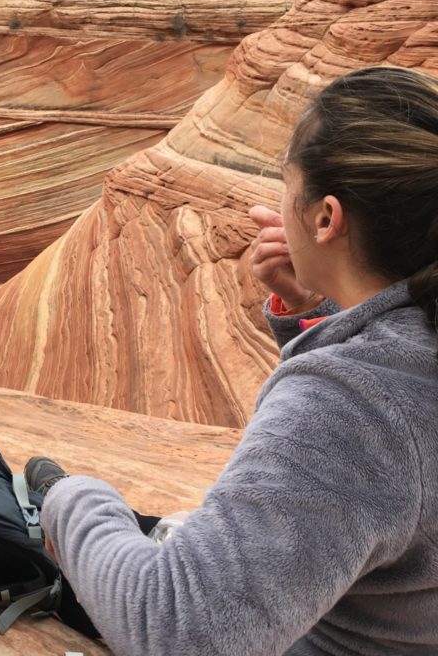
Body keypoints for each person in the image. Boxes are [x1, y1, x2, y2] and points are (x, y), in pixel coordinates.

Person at [26, 66, 438, 655]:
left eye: (286, 184)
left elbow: (177, 632)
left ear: (325, 218)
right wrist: (315, 311)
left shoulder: (356, 405)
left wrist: (70, 501)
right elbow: (382, 480)